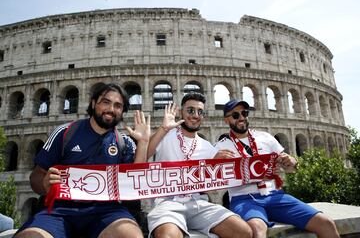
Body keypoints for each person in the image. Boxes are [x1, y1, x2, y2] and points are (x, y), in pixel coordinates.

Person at [15, 83, 150, 238]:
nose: (111, 109)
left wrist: (143, 142)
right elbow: (36, 177)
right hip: (59, 211)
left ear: (122, 111)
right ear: (93, 103)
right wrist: (44, 184)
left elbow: (133, 186)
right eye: (106, 102)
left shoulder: (124, 142)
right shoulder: (65, 132)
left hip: (107, 212)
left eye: (118, 106)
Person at [215, 99, 340, 238]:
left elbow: (290, 167)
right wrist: (215, 162)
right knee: (257, 230)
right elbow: (214, 180)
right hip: (244, 199)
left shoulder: (265, 137)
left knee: (326, 222)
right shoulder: (221, 147)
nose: (242, 117)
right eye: (236, 115)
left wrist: (291, 161)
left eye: (244, 113)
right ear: (226, 120)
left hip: (275, 195)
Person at [146, 92, 252, 238]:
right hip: (167, 202)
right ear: (181, 112)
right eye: (190, 110)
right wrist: (163, 129)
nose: (195, 115)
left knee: (243, 231)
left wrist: (216, 164)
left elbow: (218, 181)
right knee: (168, 236)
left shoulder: (208, 147)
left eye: (200, 111)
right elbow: (143, 154)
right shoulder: (166, 135)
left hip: (198, 203)